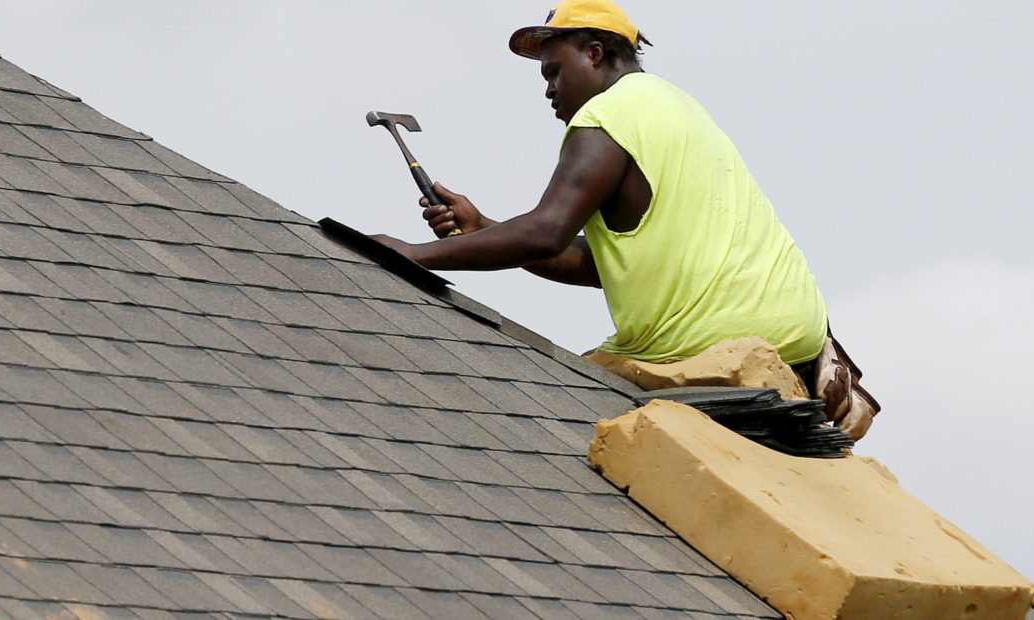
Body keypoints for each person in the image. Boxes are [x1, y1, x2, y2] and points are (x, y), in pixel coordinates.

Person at [372, 0, 878, 439]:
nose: (548, 88)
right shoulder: (675, 105)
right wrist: (484, 228)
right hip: (799, 334)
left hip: (713, 339)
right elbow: (601, 265)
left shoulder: (605, 116)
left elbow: (546, 233)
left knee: (555, 403)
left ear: (594, 53)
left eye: (554, 71)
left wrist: (413, 255)